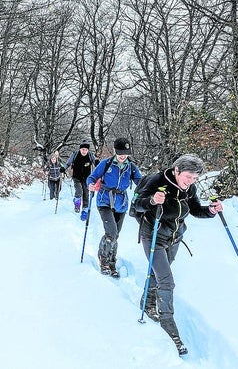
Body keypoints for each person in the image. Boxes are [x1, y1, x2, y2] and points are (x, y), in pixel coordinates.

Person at [133, 154, 223, 356]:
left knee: (159, 275)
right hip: (153, 235)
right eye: (188, 177)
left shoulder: (190, 188)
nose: (190, 182)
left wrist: (210, 210)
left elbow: (194, 209)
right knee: (166, 281)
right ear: (176, 171)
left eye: (195, 178)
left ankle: (147, 302)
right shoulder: (156, 180)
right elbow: (136, 205)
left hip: (174, 238)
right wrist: (152, 201)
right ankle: (168, 325)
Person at [87, 137, 142, 278]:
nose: (123, 155)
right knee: (111, 232)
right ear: (115, 151)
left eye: (126, 152)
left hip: (121, 203)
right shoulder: (107, 164)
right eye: (120, 152)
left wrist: (150, 190)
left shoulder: (131, 167)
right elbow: (92, 177)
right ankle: (104, 260)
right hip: (104, 200)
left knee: (115, 235)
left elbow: (141, 182)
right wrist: (90, 184)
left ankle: (112, 262)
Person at [62, 140, 96, 220]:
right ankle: (77, 203)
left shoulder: (90, 155)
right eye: (83, 149)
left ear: (88, 150)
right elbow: (68, 163)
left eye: (86, 150)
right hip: (76, 177)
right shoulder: (75, 154)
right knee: (79, 191)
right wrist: (63, 168)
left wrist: (98, 163)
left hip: (87, 178)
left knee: (86, 193)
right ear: (80, 149)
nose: (84, 151)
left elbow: (97, 163)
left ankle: (84, 211)